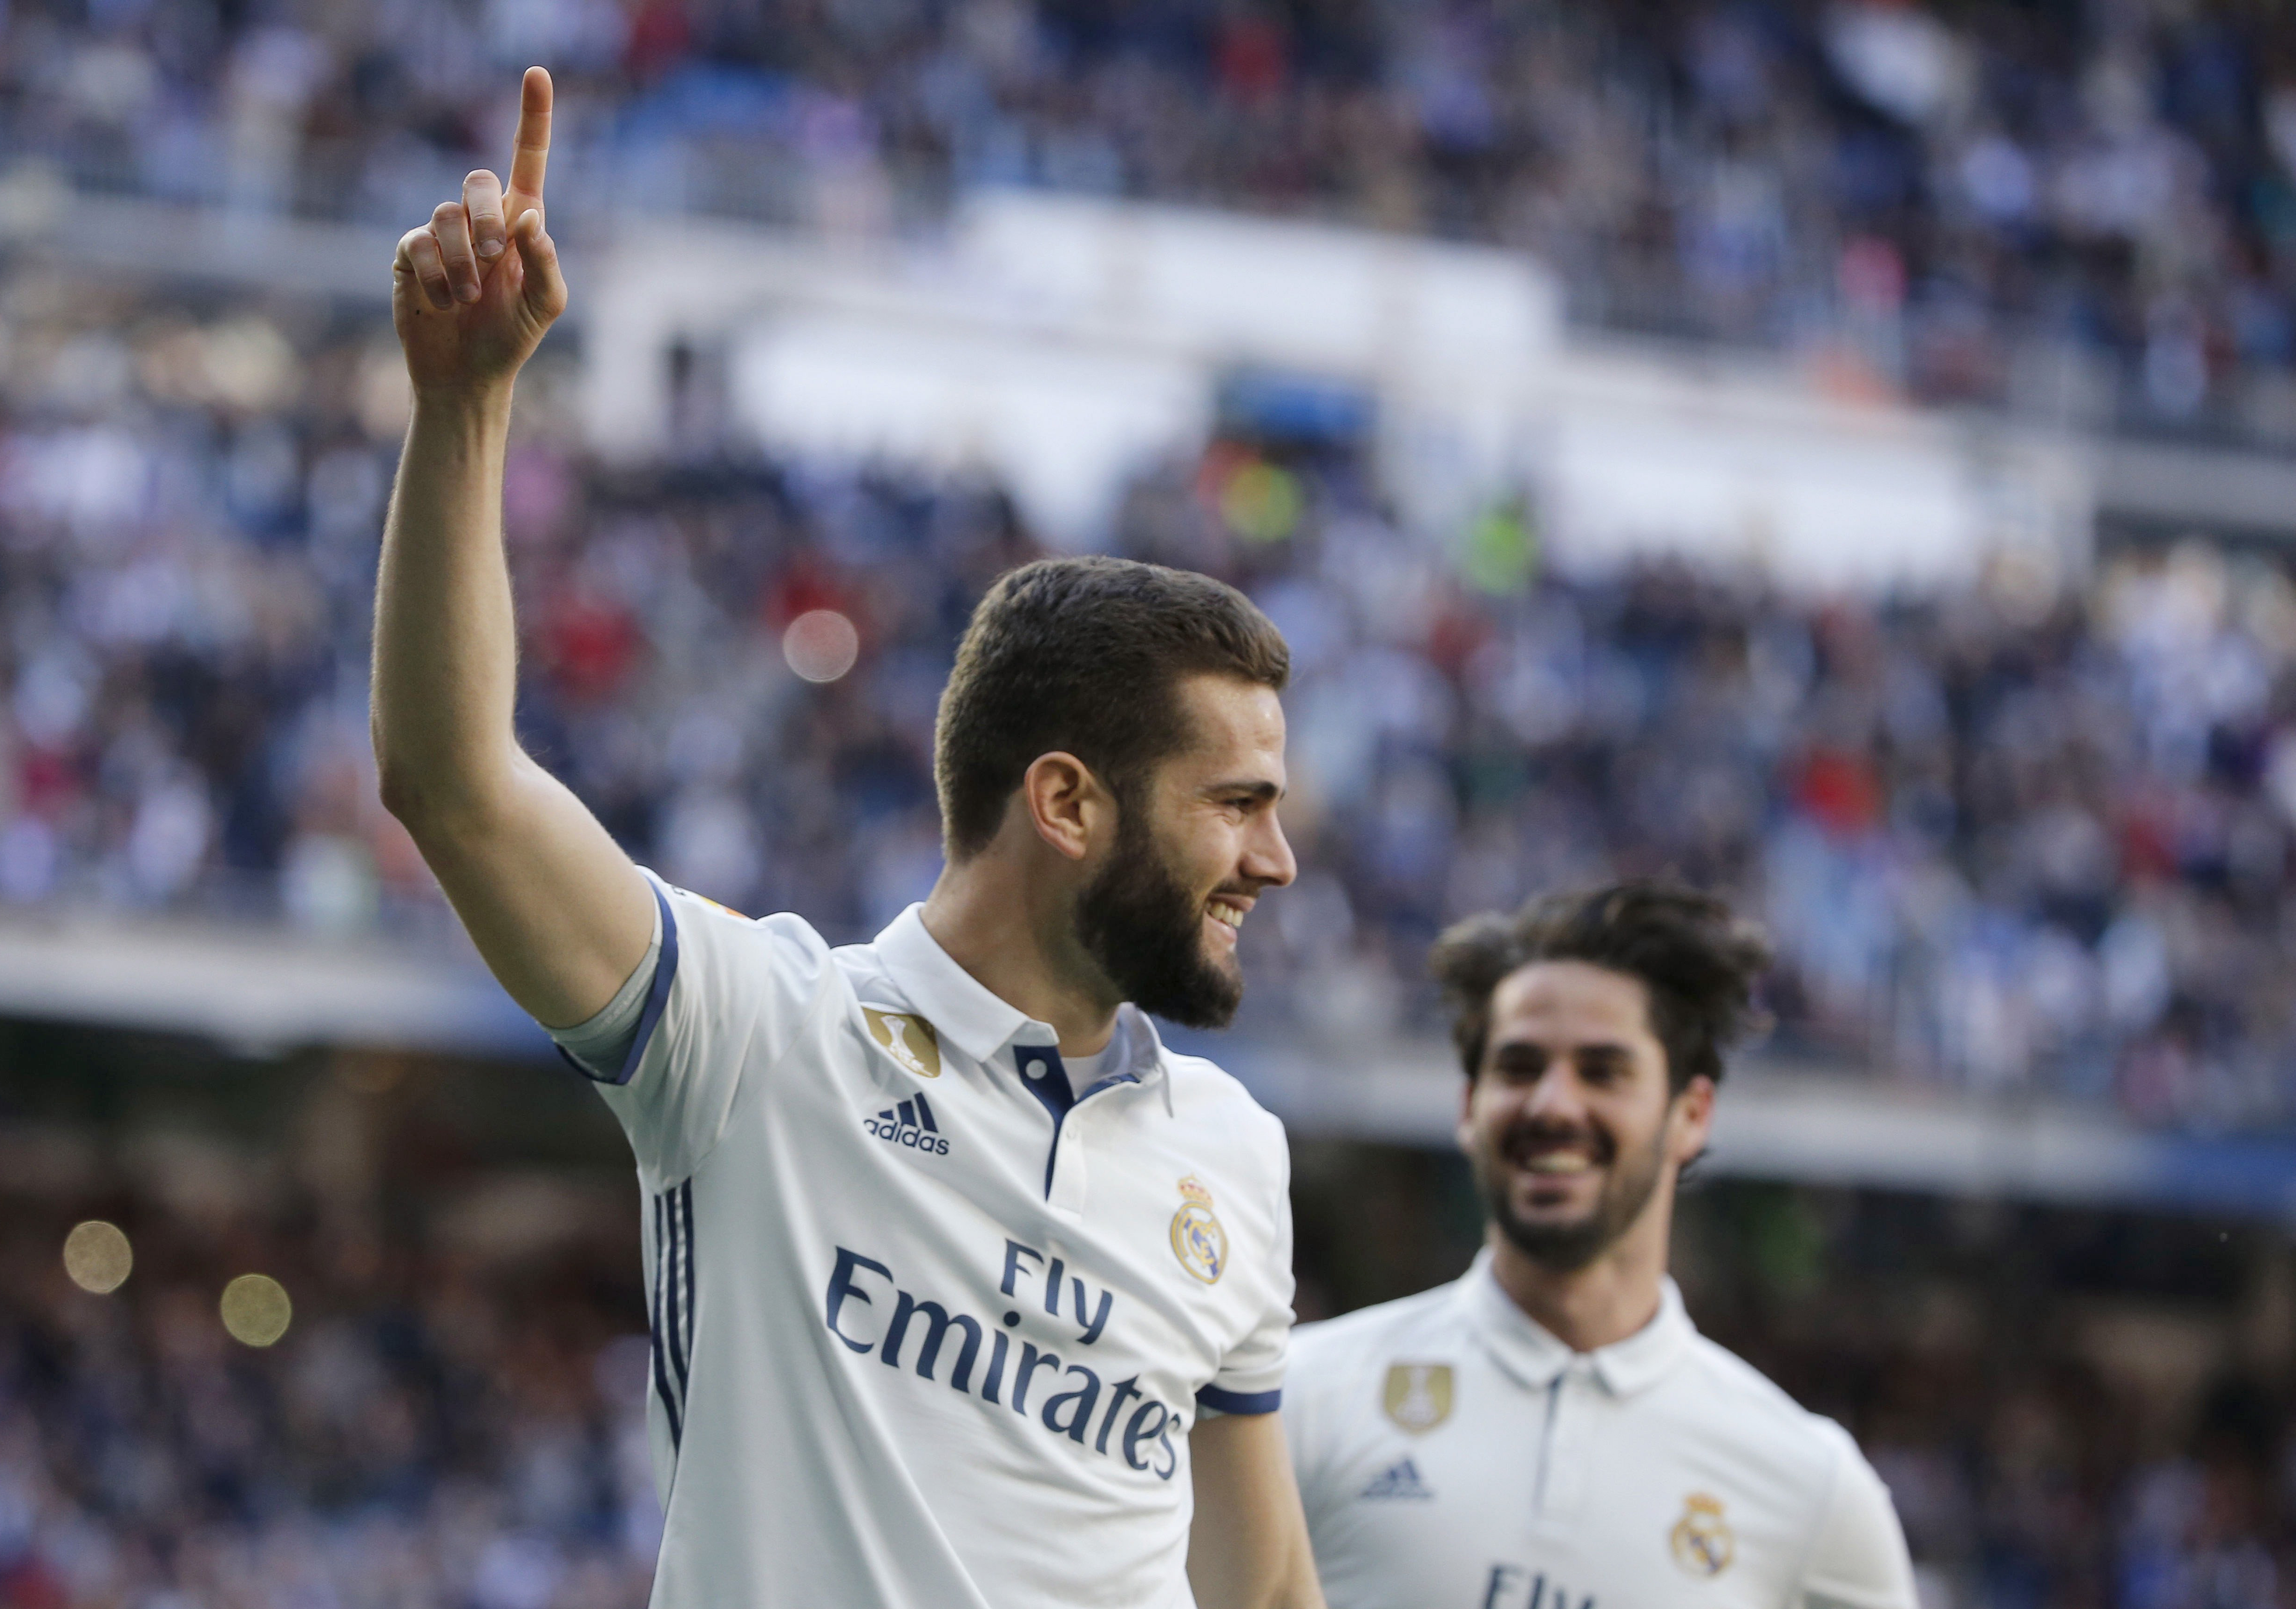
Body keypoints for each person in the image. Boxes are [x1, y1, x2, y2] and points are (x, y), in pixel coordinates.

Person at [373, 66, 1325, 1609]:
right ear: (1067, 803)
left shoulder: (1234, 1152)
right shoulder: (757, 1035)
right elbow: (455, 784)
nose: (1275, 861)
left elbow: (1265, 1592)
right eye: (1236, 806)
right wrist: (467, 407)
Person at [1283, 885, 1918, 1609]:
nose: (1553, 1104)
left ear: (1691, 1115)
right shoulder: (1307, 1401)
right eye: (1519, 1067)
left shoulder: (1813, 1492)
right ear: (1468, 1106)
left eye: (1603, 1070)